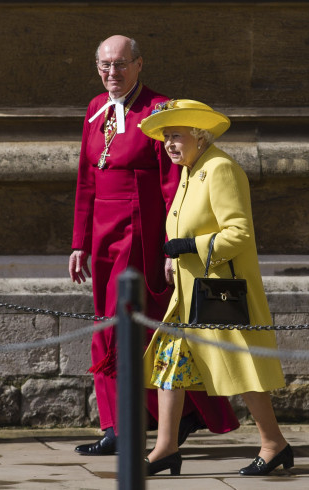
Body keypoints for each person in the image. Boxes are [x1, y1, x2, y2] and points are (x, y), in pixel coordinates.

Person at [70, 36, 239, 456]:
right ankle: (121, 422)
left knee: (131, 329)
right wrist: (79, 243)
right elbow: (86, 180)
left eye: (121, 64)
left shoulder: (160, 110)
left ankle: (152, 421)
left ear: (139, 65)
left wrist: (170, 247)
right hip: (102, 234)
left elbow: (171, 184)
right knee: (105, 327)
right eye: (105, 66)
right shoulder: (95, 109)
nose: (113, 73)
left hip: (138, 232)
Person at [137, 99, 293, 476]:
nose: (169, 144)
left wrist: (192, 247)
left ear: (199, 135)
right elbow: (185, 224)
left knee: (242, 369)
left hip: (219, 292)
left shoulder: (220, 168)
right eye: (165, 138)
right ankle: (166, 447)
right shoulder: (192, 170)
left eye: (176, 136)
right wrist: (173, 258)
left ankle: (274, 443)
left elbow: (238, 233)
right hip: (189, 293)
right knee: (169, 363)